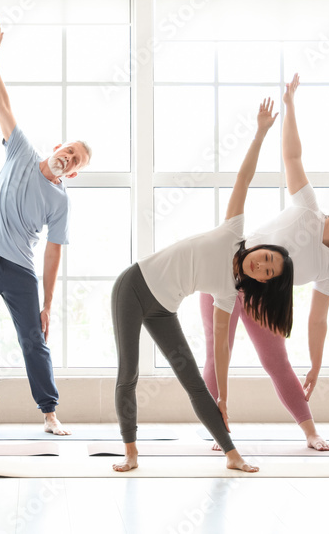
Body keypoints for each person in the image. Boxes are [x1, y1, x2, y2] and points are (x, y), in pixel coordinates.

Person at [200, 74, 329, 452]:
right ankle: (219, 430)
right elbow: (293, 157)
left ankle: (311, 432)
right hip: (227, 274)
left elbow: (318, 320)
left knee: (277, 362)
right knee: (218, 354)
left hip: (264, 299)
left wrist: (316, 363)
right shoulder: (308, 208)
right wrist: (290, 106)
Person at [111, 97, 290, 473]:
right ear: (260, 249)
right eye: (267, 258)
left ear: (262, 282)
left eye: (268, 272)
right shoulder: (233, 232)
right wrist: (260, 133)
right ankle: (130, 452)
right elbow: (244, 179)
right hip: (134, 286)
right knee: (129, 371)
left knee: (194, 381)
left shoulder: (229, 292)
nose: (262, 265)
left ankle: (233, 455)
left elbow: (221, 348)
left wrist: (222, 396)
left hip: (163, 310)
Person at [0, 18, 91, 436]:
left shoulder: (61, 201)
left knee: (33, 339)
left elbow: (54, 251)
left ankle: (50, 413)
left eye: (75, 161)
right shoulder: (21, 150)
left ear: (72, 173)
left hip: (19, 268)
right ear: (58, 147)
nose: (68, 158)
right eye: (69, 150)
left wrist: (48, 303)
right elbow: (1, 102)